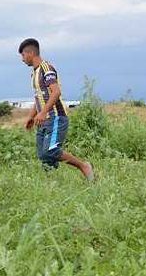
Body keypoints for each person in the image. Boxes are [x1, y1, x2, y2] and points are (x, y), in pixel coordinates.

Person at [18, 38, 94, 180]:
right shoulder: (33, 74)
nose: (22, 59)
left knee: (51, 150)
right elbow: (38, 97)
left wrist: (43, 112)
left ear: (31, 53)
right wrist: (31, 116)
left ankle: (84, 166)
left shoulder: (46, 68)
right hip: (43, 120)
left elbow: (56, 91)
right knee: (43, 156)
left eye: (23, 55)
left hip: (56, 117)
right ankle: (51, 185)